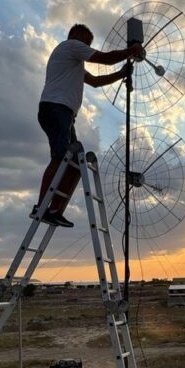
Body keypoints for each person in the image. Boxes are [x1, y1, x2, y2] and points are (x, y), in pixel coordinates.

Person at [33, 23, 143, 226]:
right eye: (86, 41)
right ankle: (41, 208)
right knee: (60, 157)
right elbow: (105, 58)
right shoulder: (70, 46)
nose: (87, 46)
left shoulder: (73, 63)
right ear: (75, 35)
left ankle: (55, 209)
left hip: (64, 112)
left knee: (75, 163)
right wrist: (131, 50)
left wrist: (121, 74)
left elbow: (96, 82)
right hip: (56, 108)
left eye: (89, 43)